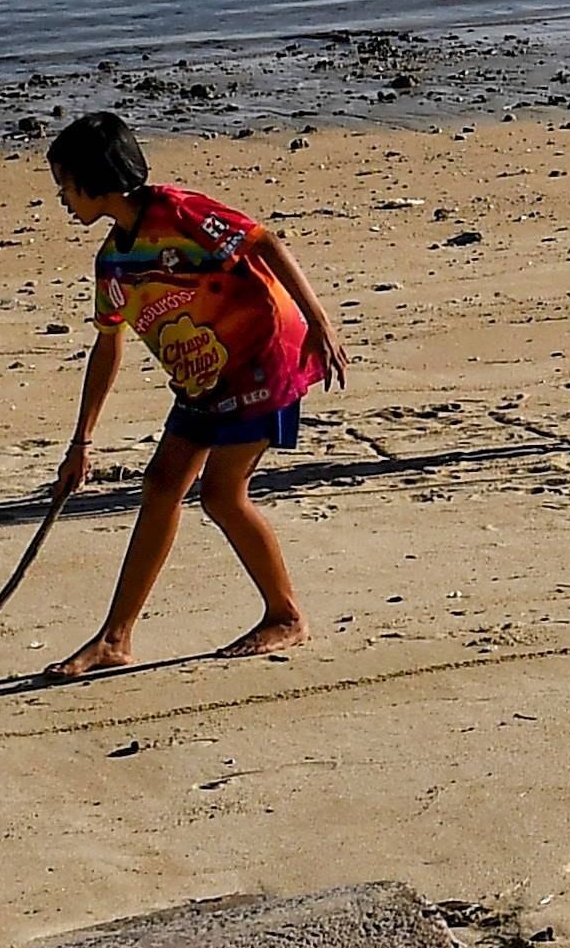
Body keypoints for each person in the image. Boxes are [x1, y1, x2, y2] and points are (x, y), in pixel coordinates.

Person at [39, 110, 344, 678]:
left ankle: (286, 616)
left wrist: (319, 322)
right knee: (160, 486)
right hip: (202, 378)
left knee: (222, 496)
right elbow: (108, 346)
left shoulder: (179, 213)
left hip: (263, 360)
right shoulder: (113, 262)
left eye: (64, 185)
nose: (61, 199)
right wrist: (81, 441)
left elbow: (264, 242)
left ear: (94, 181)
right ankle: (115, 638)